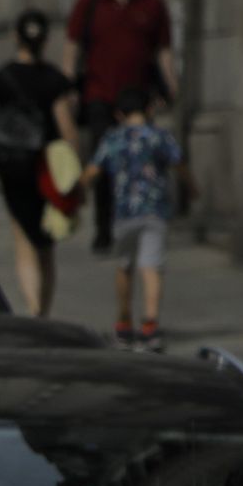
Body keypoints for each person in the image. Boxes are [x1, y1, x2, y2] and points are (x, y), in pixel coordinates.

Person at [67, 0, 177, 256]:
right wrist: (68, 87)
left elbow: (164, 51)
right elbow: (72, 47)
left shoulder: (152, 4)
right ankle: (103, 228)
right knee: (106, 161)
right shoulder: (89, 2)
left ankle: (134, 222)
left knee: (138, 162)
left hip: (137, 98)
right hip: (99, 94)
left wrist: (171, 86)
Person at [0, 9, 80, 317]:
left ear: (16, 36)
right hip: (47, 168)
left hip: (12, 165)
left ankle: (32, 306)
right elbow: (66, 128)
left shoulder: (0, 78)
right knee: (46, 244)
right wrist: (76, 171)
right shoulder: (54, 80)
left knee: (23, 239)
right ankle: (44, 309)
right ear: (45, 39)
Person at [82, 85, 190, 350]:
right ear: (149, 109)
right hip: (155, 211)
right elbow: (179, 164)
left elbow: (93, 170)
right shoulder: (160, 136)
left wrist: (76, 191)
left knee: (125, 265)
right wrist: (193, 187)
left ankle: (123, 322)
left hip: (124, 213)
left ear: (119, 114)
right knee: (152, 266)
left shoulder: (112, 138)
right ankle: (150, 325)